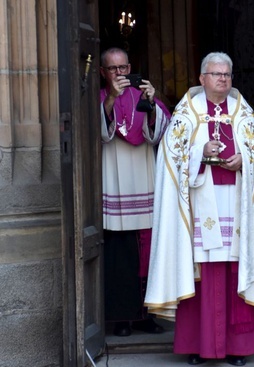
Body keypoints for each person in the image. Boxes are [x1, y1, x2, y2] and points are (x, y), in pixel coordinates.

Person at [144, 52, 254, 366]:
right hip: (200, 204)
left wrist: (246, 160)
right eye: (216, 74)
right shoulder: (186, 113)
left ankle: (238, 348)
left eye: (226, 74)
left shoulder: (244, 112)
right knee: (201, 273)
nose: (222, 80)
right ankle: (198, 347)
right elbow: (170, 158)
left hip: (237, 204)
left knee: (233, 271)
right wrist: (199, 151)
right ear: (202, 79)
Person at [100, 47, 171, 337]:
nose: (121, 74)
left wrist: (152, 104)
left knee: (148, 252)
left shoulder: (143, 96)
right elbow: (99, 132)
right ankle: (121, 318)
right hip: (115, 182)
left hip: (144, 180)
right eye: (114, 69)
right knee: (120, 253)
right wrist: (113, 99)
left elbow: (160, 134)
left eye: (124, 67)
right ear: (103, 72)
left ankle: (147, 316)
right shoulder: (99, 99)